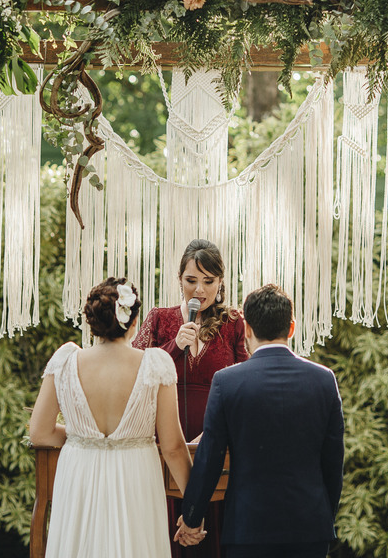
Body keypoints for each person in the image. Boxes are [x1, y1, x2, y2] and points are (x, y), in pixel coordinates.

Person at [176, 284, 345, 558]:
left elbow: (210, 458)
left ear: (247, 329)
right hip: (310, 528)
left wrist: (192, 516)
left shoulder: (227, 382)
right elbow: (333, 462)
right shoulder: (324, 380)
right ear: (291, 328)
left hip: (248, 528)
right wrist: (324, 516)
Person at [29, 277, 192, 558]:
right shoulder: (155, 364)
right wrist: (194, 509)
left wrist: (81, 436)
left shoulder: (65, 361)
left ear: (92, 321)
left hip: (79, 475)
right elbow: (173, 447)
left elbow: (40, 433)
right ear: (134, 320)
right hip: (135, 477)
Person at [134, 238, 249, 557]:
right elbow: (133, 375)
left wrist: (217, 431)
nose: (199, 289)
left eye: (208, 281)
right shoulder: (159, 318)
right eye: (191, 280)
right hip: (164, 444)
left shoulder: (233, 323)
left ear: (221, 282)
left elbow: (245, 384)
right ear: (179, 279)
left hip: (217, 443)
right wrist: (174, 346)